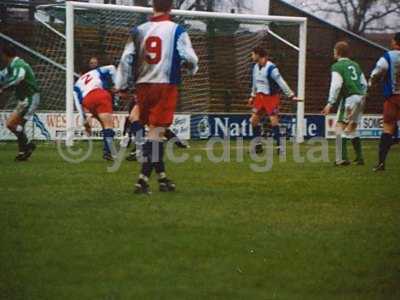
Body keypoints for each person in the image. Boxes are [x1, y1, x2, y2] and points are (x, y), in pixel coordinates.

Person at [115, 0, 198, 194]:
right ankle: (142, 180)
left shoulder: (138, 30)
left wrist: (122, 85)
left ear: (153, 6)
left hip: (143, 85)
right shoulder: (177, 30)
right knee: (156, 133)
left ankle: (162, 178)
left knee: (138, 119)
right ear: (170, 7)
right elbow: (191, 58)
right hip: (164, 85)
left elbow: (126, 59)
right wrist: (191, 68)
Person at [322, 41, 368, 166]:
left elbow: (336, 85)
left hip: (349, 98)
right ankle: (359, 158)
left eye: (334, 51)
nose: (333, 53)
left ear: (337, 52)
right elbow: (364, 83)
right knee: (352, 128)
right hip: (360, 98)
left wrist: (330, 103)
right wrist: (362, 96)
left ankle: (341, 158)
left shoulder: (337, 66)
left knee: (339, 127)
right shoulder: (356, 65)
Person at [248, 47, 296, 154]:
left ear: (258, 55)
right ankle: (258, 145)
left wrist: (291, 94)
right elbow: (255, 83)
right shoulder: (255, 67)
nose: (252, 57)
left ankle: (280, 147)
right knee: (253, 121)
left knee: (273, 121)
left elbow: (281, 82)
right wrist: (252, 95)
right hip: (260, 97)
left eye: (252, 54)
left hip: (271, 98)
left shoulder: (272, 68)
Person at [0, 43, 40, 161]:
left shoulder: (18, 65)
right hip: (24, 100)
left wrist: (3, 88)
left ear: (4, 55)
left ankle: (24, 152)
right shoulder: (12, 65)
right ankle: (27, 147)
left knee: (19, 126)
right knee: (10, 125)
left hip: (31, 98)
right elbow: (2, 75)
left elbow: (19, 78)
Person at [369, 32, 400, 171]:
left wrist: (372, 82)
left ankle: (381, 163)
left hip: (392, 98)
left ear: (395, 42)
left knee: (387, 128)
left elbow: (378, 71)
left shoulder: (388, 56)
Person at [73, 64, 117, 161]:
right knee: (108, 125)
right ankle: (108, 152)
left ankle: (90, 119)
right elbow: (112, 68)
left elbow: (78, 104)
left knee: (103, 123)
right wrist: (116, 84)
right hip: (100, 94)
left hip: (87, 101)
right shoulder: (95, 72)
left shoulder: (76, 85)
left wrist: (84, 120)